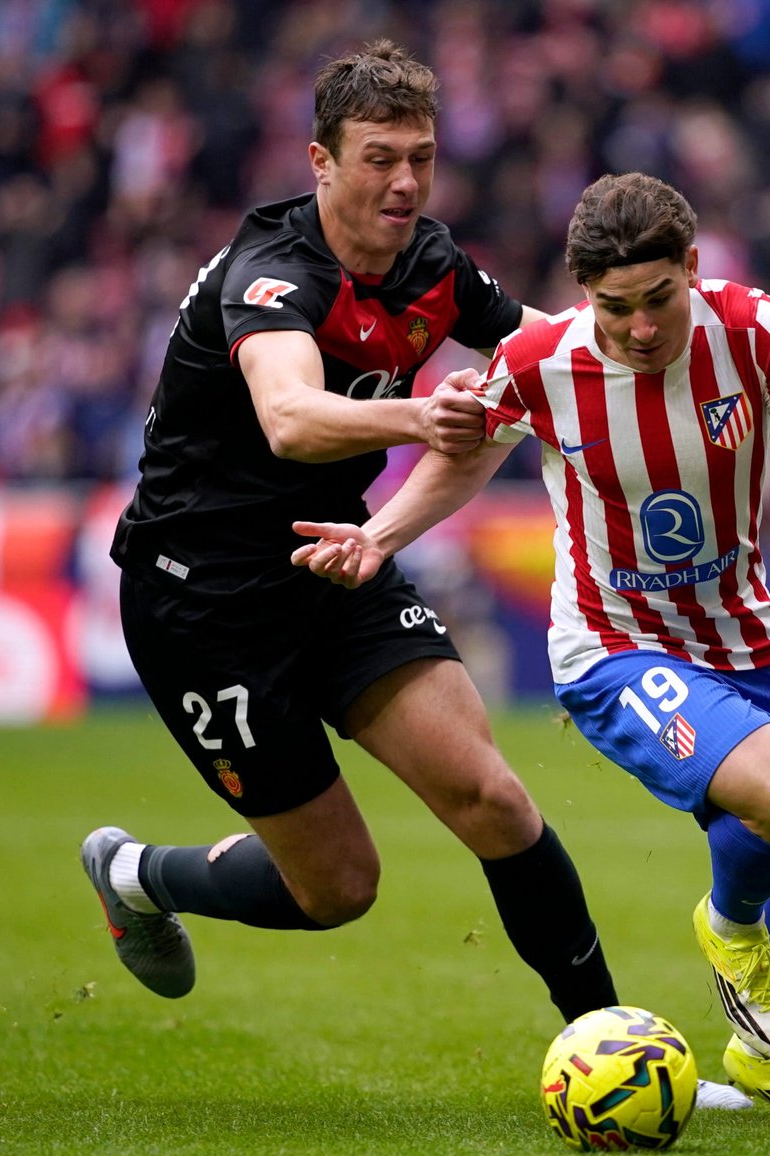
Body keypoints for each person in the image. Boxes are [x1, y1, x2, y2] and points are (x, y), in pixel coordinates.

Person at [292, 172, 770, 1115]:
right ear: (582, 294)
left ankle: (766, 1054)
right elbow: (463, 456)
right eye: (616, 307)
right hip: (615, 642)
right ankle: (731, 926)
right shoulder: (541, 360)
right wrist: (379, 535)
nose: (641, 328)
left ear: (693, 268)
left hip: (746, 630)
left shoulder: (758, 330)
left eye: (660, 299)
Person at [81, 41, 626, 1034]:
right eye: (380, 158)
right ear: (321, 162)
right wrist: (420, 416)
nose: (405, 182)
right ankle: (138, 873)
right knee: (339, 887)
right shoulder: (271, 274)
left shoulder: (432, 264)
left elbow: (559, 350)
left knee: (494, 799)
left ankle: (606, 1036)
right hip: (204, 606)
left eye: (421, 157)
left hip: (339, 561)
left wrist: (725, 333)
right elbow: (290, 416)